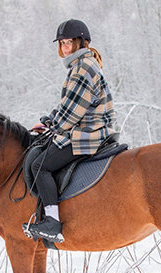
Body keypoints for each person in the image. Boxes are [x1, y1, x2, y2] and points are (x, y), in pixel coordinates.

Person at [24, 19, 117, 243]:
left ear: (82, 42)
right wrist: (50, 120)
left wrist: (54, 127)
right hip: (87, 129)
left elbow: (73, 113)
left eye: (69, 42)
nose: (65, 47)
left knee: (39, 165)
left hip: (87, 134)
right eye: (63, 43)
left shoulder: (83, 67)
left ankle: (52, 223)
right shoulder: (82, 65)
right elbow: (70, 104)